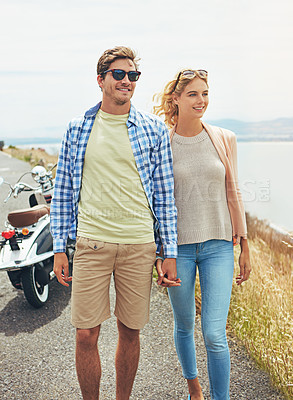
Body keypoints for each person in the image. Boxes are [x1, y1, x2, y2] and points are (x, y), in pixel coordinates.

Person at [50, 46, 179, 400]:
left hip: (139, 245)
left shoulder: (153, 130)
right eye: (119, 74)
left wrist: (168, 252)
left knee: (130, 332)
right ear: (101, 80)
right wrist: (59, 246)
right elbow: (62, 192)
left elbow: (166, 196)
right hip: (91, 243)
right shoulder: (78, 129)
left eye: (133, 75)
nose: (127, 81)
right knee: (85, 334)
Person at [154, 69, 251, 400]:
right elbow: (156, 202)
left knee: (214, 334)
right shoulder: (161, 145)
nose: (201, 100)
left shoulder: (224, 138)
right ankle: (194, 388)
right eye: (193, 94)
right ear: (176, 99)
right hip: (177, 250)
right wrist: (159, 254)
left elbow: (234, 191)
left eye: (205, 93)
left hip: (219, 246)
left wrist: (245, 245)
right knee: (184, 325)